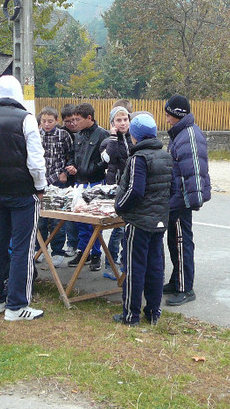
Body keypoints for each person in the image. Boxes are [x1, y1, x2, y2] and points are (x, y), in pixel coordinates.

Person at [0, 76, 46, 321]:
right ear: (17, 95)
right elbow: (35, 161)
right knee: (22, 249)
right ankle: (16, 306)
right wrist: (40, 186)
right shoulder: (26, 119)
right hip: (24, 193)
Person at [113, 114, 173, 326]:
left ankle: (131, 316)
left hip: (138, 222)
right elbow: (172, 189)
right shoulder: (165, 156)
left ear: (134, 136)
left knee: (135, 268)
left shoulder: (139, 158)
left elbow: (134, 191)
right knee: (155, 267)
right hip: (158, 221)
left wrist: (119, 207)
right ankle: (154, 312)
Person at [163, 94, 211, 307]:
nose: (166, 119)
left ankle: (185, 288)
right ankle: (176, 280)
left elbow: (194, 171)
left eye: (168, 115)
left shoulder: (189, 135)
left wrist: (192, 200)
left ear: (177, 115)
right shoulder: (180, 133)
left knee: (182, 243)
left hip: (181, 200)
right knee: (174, 241)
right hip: (175, 198)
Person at [66, 102, 109, 271]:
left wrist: (88, 169)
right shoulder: (77, 136)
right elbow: (71, 155)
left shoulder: (102, 135)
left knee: (95, 221)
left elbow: (104, 160)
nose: (74, 123)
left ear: (89, 118)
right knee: (80, 220)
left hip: (96, 182)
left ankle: (96, 254)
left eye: (78, 119)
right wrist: (70, 166)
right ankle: (83, 251)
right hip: (79, 182)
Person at [37, 106, 74, 268]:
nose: (47, 124)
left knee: (57, 218)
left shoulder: (63, 135)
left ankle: (57, 251)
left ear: (56, 121)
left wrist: (66, 171)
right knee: (41, 218)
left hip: (58, 180)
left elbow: (71, 154)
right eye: (44, 121)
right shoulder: (36, 135)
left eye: (50, 121)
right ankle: (39, 249)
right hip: (40, 181)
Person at [100, 105, 133, 279]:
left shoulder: (133, 138)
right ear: (112, 123)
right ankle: (110, 264)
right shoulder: (108, 141)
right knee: (118, 228)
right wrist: (113, 136)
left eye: (125, 119)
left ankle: (123, 263)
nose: (123, 123)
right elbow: (107, 158)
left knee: (127, 227)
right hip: (115, 187)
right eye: (118, 120)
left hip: (131, 187)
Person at [59, 103, 79, 256]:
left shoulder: (85, 131)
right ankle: (72, 243)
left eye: (74, 120)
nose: (72, 124)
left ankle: (86, 247)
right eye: (68, 121)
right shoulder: (61, 134)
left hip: (83, 175)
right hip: (66, 176)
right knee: (69, 211)